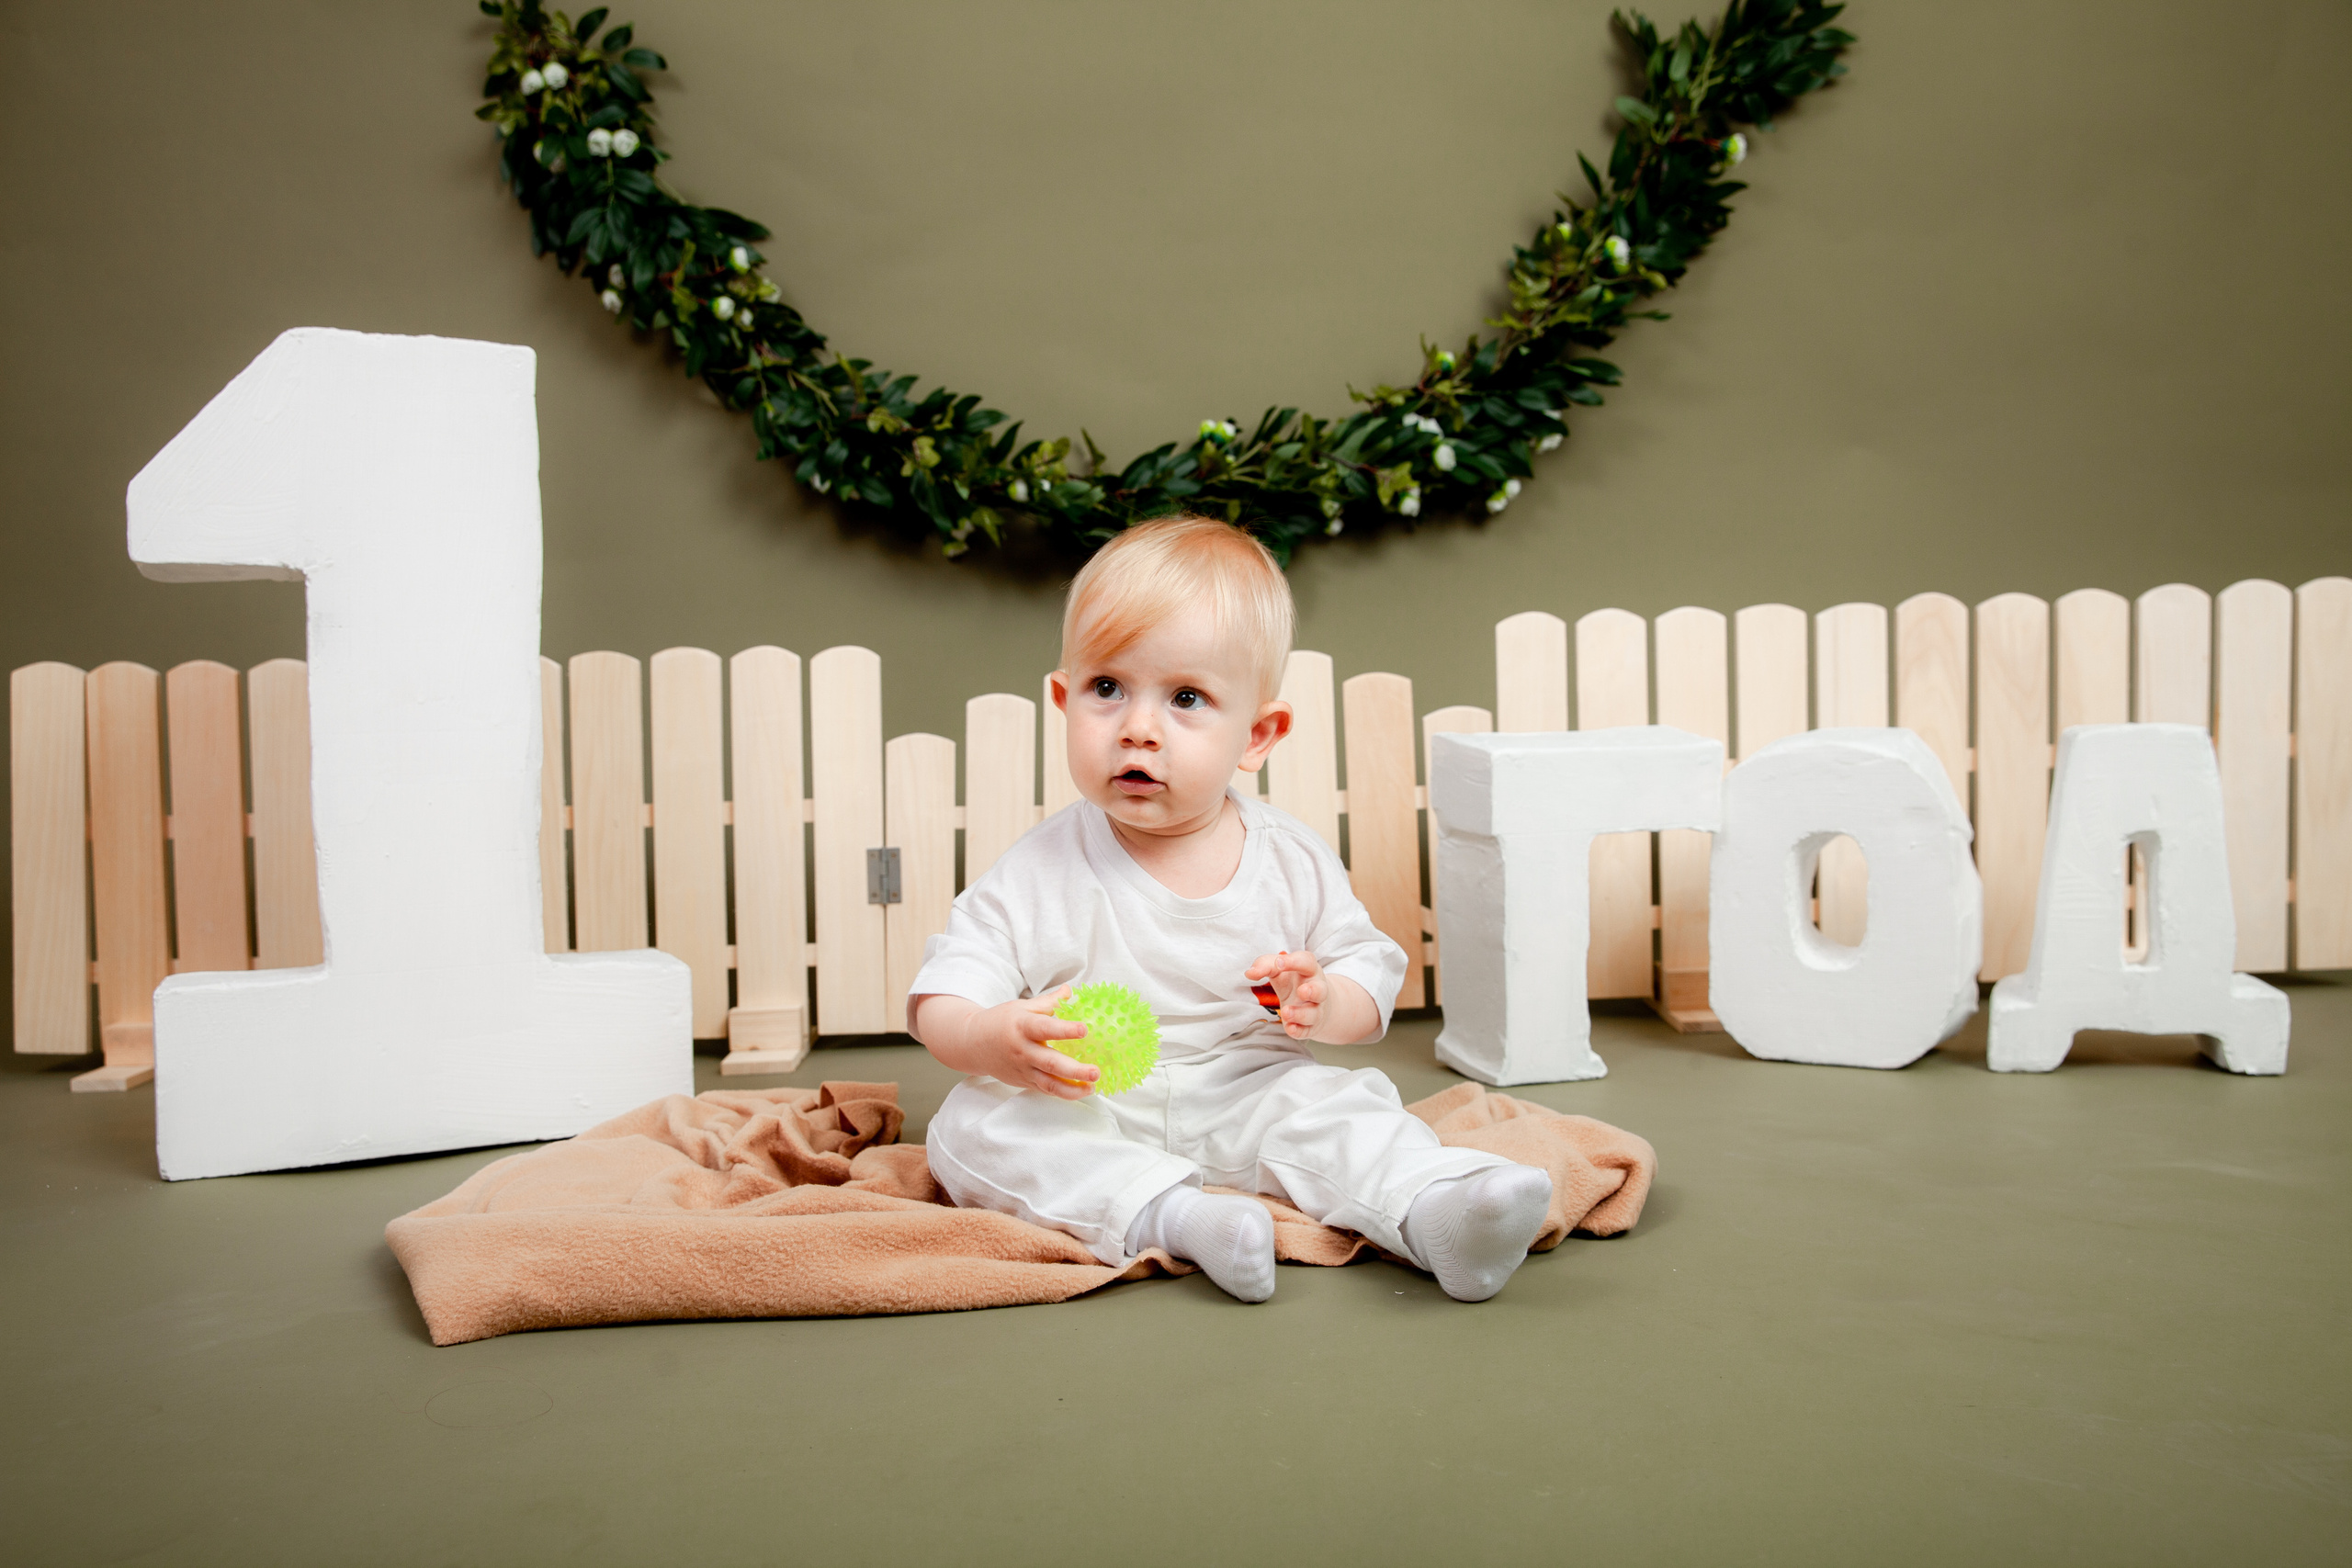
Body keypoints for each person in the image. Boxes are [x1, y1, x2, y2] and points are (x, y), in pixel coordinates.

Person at [908, 514, 1553, 1303]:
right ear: (1063, 697)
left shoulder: (1289, 858)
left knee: (1342, 1107)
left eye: (1185, 697)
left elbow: (1368, 977)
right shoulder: (1039, 867)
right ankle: (1178, 1217)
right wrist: (991, 1036)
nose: (1138, 728)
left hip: (1252, 1089)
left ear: (1258, 733)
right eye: (1106, 688)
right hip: (1091, 1102)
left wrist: (1323, 1000)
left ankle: (1438, 1208)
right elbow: (945, 992)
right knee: (973, 1126)